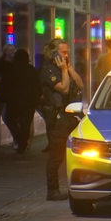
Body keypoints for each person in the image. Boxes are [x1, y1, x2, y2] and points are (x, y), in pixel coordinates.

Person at [40, 38, 84, 201]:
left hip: (70, 116)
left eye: (68, 52)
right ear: (53, 53)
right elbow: (64, 89)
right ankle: (52, 190)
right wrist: (64, 70)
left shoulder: (65, 67)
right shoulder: (48, 70)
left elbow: (79, 85)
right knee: (56, 155)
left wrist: (69, 67)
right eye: (63, 52)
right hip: (57, 118)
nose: (66, 55)